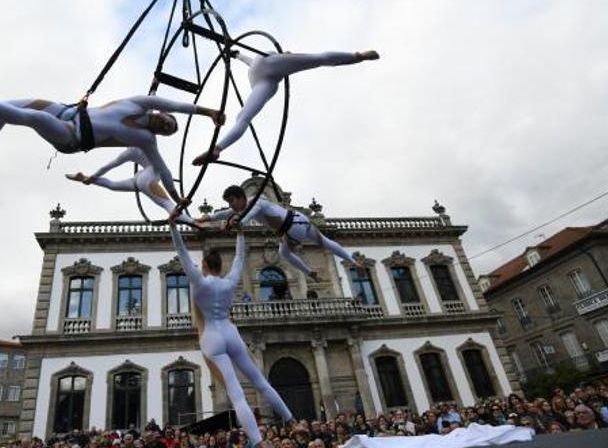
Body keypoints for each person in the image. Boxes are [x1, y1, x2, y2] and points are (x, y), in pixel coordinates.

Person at [0, 58, 225, 207]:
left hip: (71, 137)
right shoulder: (140, 102)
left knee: (31, 117)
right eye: (168, 121)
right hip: (68, 111)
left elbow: (161, 169)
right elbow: (176, 103)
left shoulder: (145, 141)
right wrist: (208, 112)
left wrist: (177, 197)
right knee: (11, 107)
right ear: (161, 113)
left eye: (169, 131)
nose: (166, 126)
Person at [168, 210, 295, 448]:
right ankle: (292, 421)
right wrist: (239, 232)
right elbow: (239, 258)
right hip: (231, 331)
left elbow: (181, 252)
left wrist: (173, 225)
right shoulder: (229, 282)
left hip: (212, 337)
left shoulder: (199, 282)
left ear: (204, 266)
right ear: (219, 266)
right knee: (261, 381)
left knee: (237, 395)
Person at [193, 49, 379, 165]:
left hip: (268, 73)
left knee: (317, 59)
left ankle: (357, 56)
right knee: (242, 117)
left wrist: (237, 55)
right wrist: (237, 55)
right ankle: (218, 148)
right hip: (261, 78)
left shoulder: (275, 64)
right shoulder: (259, 66)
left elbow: (318, 59)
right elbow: (248, 61)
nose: (290, 55)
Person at [200, 185, 361, 281]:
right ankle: (342, 264)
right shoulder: (248, 205)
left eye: (232, 201)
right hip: (298, 223)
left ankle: (343, 264)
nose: (231, 205)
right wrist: (205, 218)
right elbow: (225, 214)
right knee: (318, 244)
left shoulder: (256, 202)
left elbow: (243, 220)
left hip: (292, 226)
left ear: (241, 197)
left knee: (288, 251)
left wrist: (229, 224)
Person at [65, 147, 198, 225]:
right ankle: (195, 224)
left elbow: (107, 166)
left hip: (139, 177)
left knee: (112, 185)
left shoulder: (128, 152)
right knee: (168, 205)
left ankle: (84, 177)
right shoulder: (147, 142)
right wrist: (179, 200)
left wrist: (92, 177)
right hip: (148, 177)